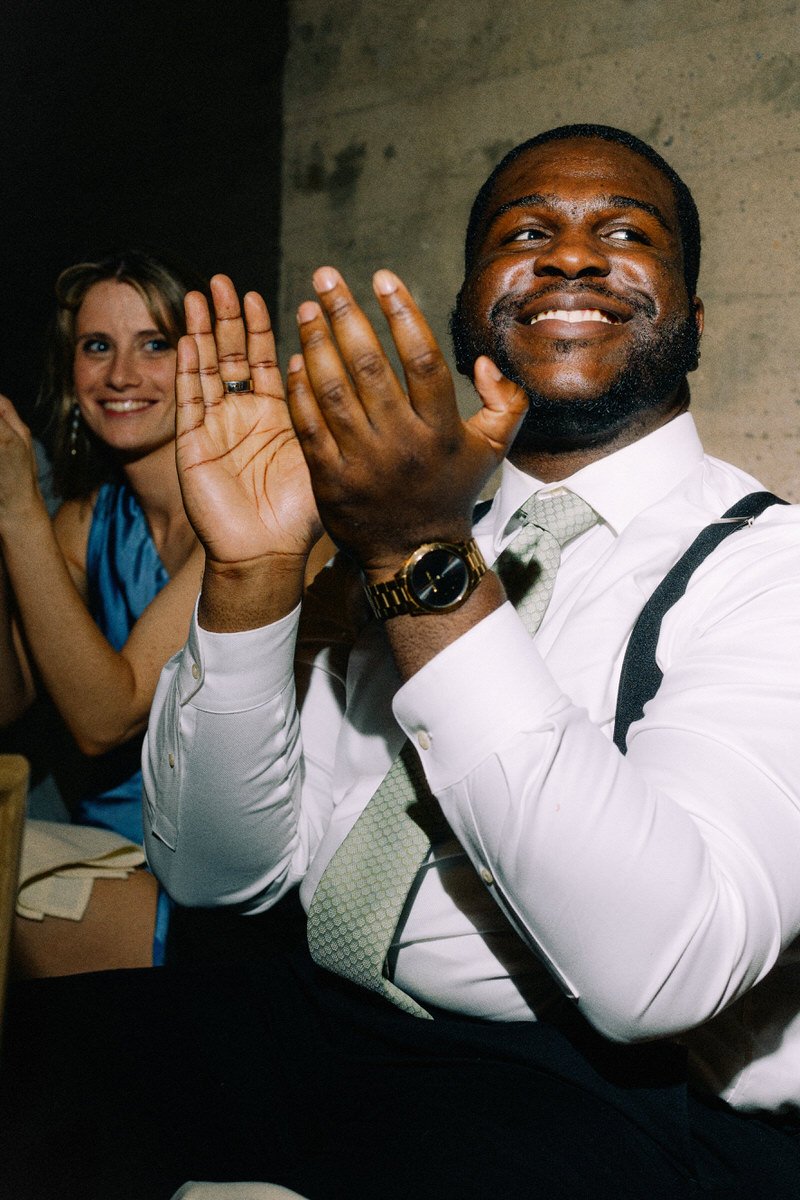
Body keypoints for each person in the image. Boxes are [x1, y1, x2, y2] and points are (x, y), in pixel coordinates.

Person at [2, 125, 800, 1198]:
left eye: (623, 232)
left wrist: (421, 557)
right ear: (476, 312)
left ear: (692, 317)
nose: (568, 253)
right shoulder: (388, 532)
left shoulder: (769, 571)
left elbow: (662, 973)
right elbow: (217, 874)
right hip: (324, 1015)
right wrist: (253, 573)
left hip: (620, 1095)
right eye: (525, 231)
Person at [0, 249, 207, 967]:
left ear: (202, 360)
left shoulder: (253, 520)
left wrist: (19, 509)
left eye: (155, 344)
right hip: (102, 853)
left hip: (207, 883)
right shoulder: (89, 520)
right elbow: (8, 697)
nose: (121, 376)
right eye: (97, 347)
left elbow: (102, 719)